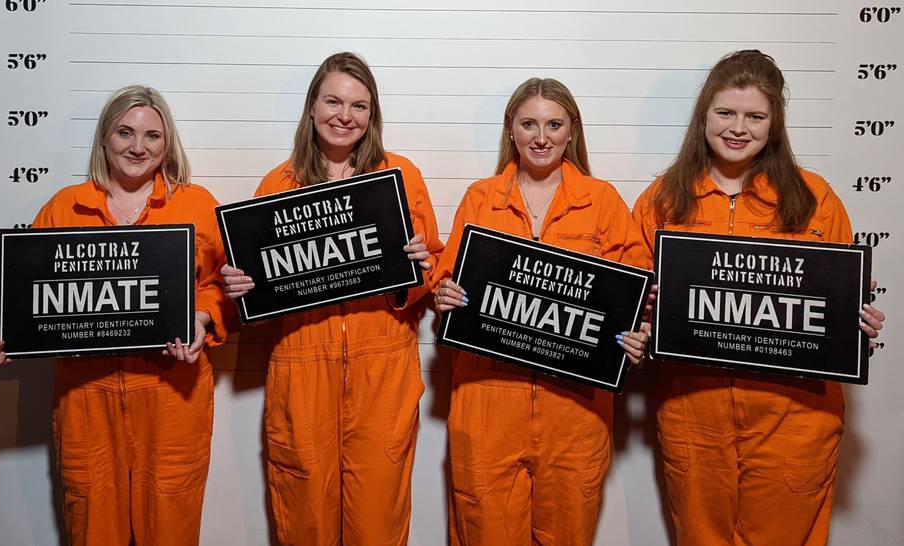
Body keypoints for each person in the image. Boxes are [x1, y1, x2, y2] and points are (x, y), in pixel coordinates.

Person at [631, 49, 886, 546]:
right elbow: (632, 303)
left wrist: (859, 329)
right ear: (703, 115)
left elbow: (839, 307)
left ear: (775, 123)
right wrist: (642, 316)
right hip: (693, 417)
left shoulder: (815, 199)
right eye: (726, 113)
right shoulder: (661, 200)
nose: (738, 128)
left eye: (755, 116)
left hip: (795, 420)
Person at [0, 85, 232, 546]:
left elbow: (225, 287)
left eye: (153, 136)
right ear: (104, 138)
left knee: (171, 531)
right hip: (85, 400)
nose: (139, 147)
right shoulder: (63, 207)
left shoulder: (197, 205)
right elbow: (29, 296)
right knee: (93, 529)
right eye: (125, 132)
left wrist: (202, 318)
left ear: (167, 143)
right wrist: (5, 333)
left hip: (172, 398)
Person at [221, 51, 443, 546]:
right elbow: (255, 302)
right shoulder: (278, 184)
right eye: (334, 101)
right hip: (301, 364)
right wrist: (241, 289)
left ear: (372, 114)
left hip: (383, 364)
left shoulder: (400, 176)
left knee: (377, 525)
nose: (345, 116)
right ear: (312, 107)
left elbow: (430, 270)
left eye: (359, 106)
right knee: (305, 523)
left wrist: (416, 266)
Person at [433, 77, 650, 546]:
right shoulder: (480, 198)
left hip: (575, 412)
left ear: (572, 132)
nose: (541, 136)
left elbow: (637, 293)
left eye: (554, 124)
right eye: (528, 123)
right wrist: (444, 296)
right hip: (486, 400)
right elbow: (446, 280)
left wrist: (639, 333)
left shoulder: (604, 201)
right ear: (511, 129)